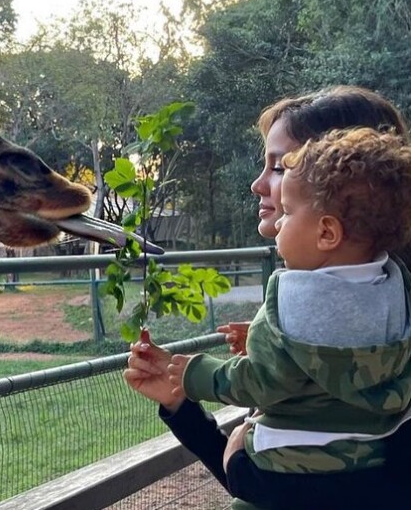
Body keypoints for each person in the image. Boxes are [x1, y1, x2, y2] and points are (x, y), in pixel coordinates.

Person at [124, 86, 411, 510]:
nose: (259, 184)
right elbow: (281, 480)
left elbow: (300, 490)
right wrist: (180, 404)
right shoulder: (379, 308)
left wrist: (234, 442)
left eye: (280, 167)